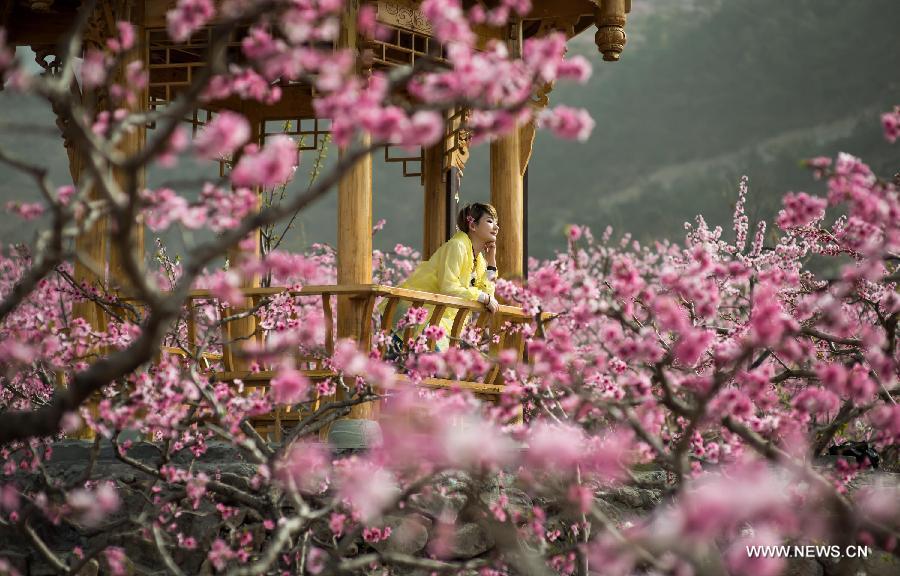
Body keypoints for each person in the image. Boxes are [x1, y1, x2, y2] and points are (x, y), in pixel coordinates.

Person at [386, 203, 500, 352]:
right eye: (490, 221)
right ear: (473, 225)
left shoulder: (479, 261)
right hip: (413, 315)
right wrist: (483, 297)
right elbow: (449, 287)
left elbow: (488, 296)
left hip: (437, 322)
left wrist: (491, 263)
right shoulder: (457, 246)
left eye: (497, 223)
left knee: (437, 371)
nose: (496, 228)